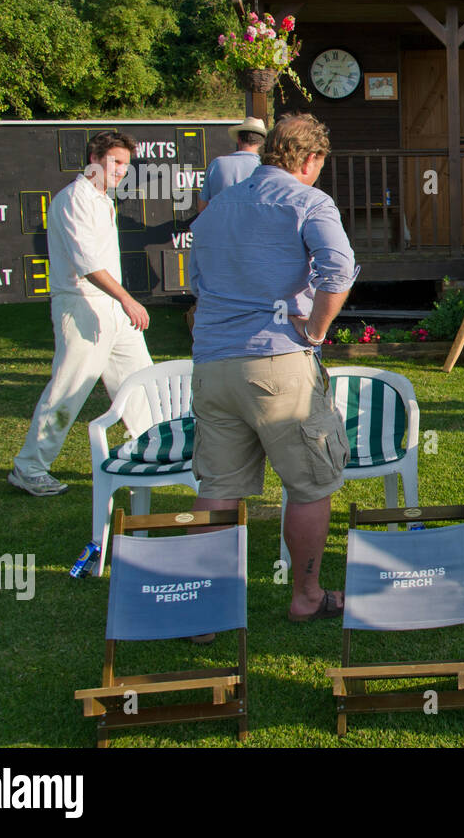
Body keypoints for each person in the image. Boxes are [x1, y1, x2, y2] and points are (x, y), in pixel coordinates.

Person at [187, 114, 358, 623]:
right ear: (310, 160)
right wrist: (318, 332)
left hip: (213, 363)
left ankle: (203, 607)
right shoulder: (308, 201)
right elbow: (340, 268)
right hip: (278, 362)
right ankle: (306, 595)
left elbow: (197, 282)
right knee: (311, 484)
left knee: (217, 488)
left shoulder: (215, 209)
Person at [9, 131, 154, 497]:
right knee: (69, 389)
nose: (122, 171)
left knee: (140, 380)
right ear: (94, 157)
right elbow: (87, 264)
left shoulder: (101, 199)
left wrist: (121, 303)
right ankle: (30, 467)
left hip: (111, 308)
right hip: (81, 305)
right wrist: (128, 299)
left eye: (126, 165)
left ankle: (151, 448)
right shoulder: (75, 198)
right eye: (116, 162)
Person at [197, 116, 266, 213]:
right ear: (262, 142)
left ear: (238, 139)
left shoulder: (217, 164)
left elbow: (202, 208)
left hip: (221, 226)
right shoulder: (266, 168)